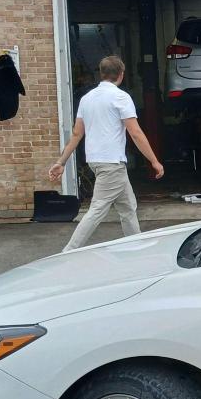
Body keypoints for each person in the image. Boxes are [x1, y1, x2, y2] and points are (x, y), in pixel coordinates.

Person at [48, 55, 163, 252]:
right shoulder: (121, 97)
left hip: (97, 161)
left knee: (128, 207)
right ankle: (68, 252)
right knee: (97, 209)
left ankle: (136, 246)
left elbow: (77, 134)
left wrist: (62, 161)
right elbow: (135, 133)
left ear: (101, 73)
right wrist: (154, 161)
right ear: (121, 74)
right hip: (112, 162)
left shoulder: (87, 99)